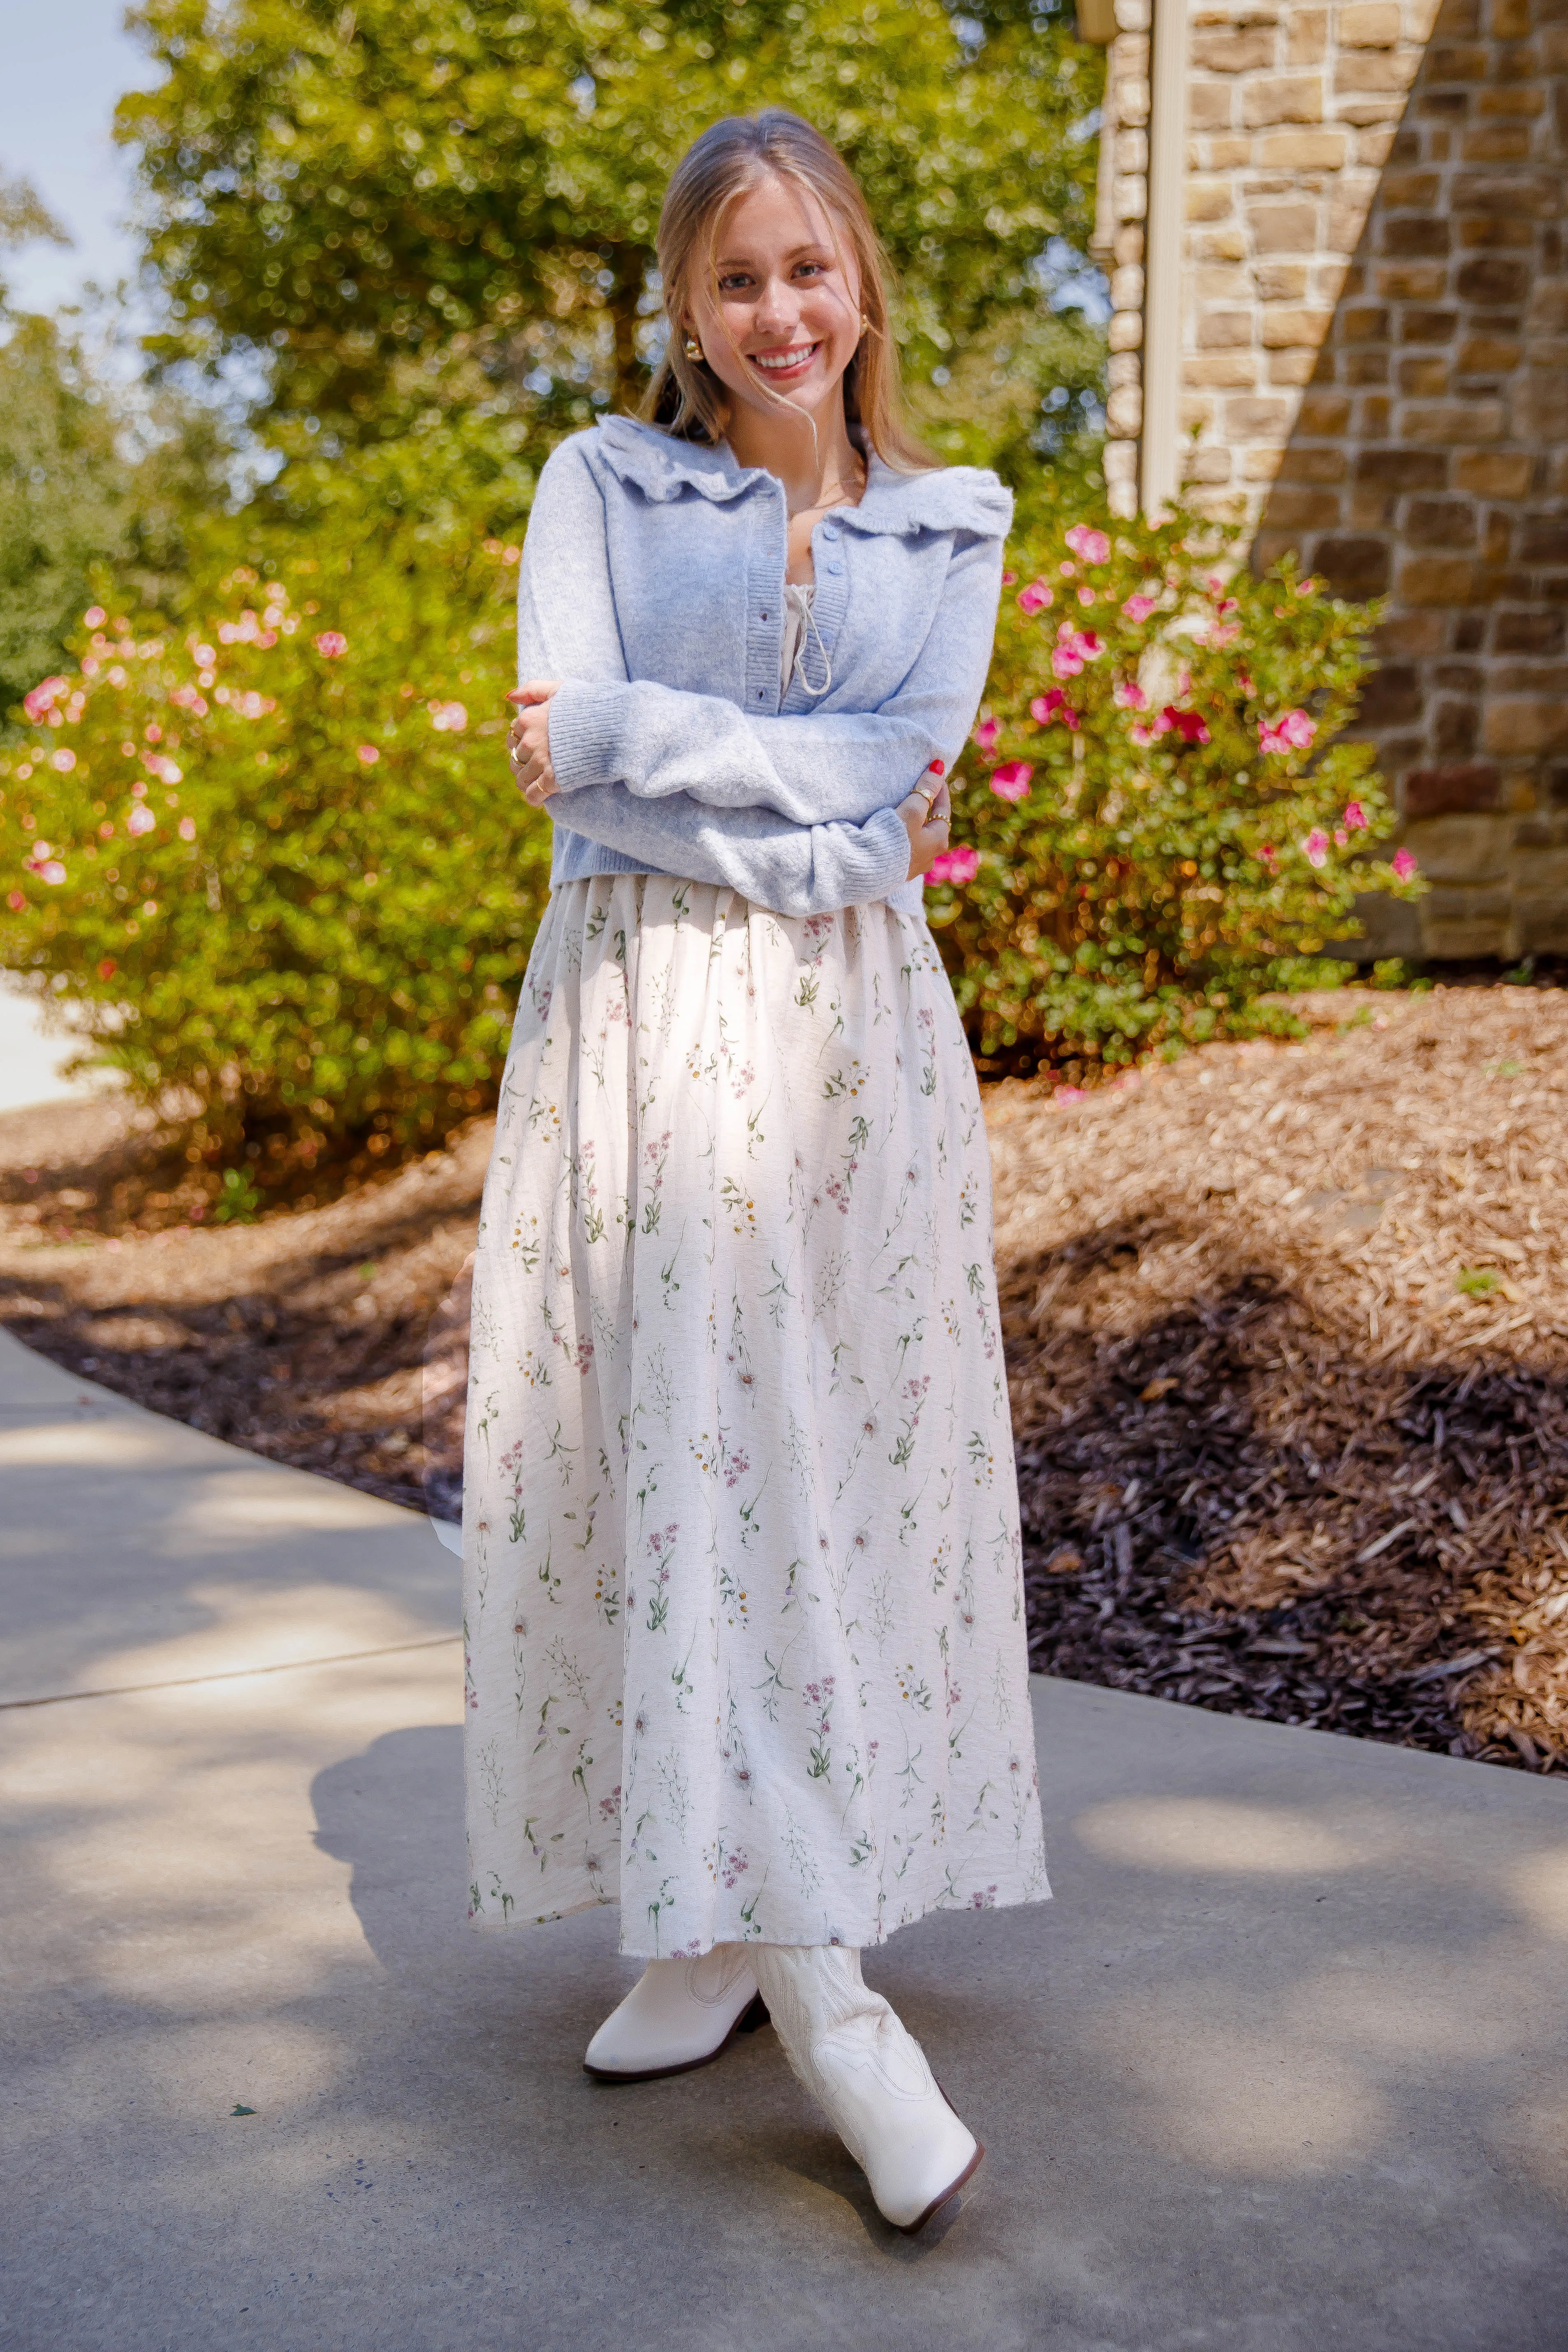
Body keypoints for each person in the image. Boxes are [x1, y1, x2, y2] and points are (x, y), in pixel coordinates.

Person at [464, 107, 1048, 2235]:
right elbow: (560, 754)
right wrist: (751, 792)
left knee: (825, 1469)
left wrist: (645, 742)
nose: (778, 311)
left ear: (863, 283)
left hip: (856, 1054)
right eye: (736, 279)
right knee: (681, 1466)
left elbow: (890, 793)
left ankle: (743, 1913)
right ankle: (808, 1987)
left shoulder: (952, 527)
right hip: (641, 1031)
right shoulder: (597, 485)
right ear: (687, 307)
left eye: (810, 269)